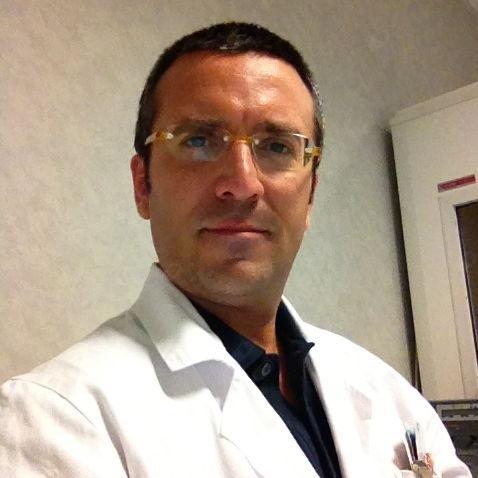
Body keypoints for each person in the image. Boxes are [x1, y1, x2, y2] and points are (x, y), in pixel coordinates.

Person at [0, 22, 471, 478]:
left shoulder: (390, 395)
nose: (242, 184)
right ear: (143, 185)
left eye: (277, 146)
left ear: (310, 194)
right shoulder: (52, 417)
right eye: (198, 141)